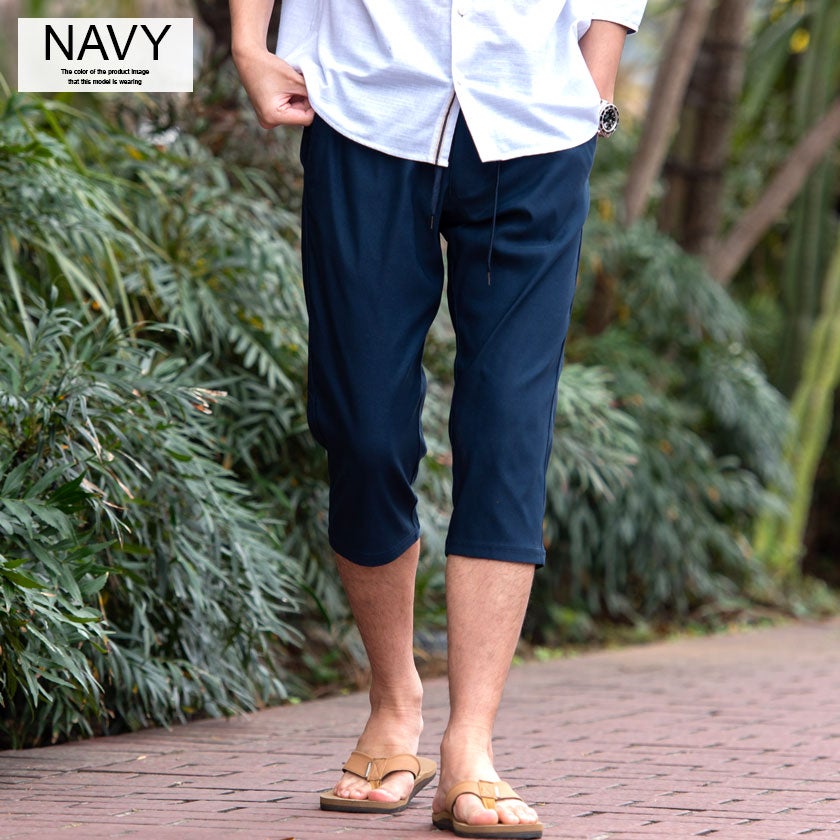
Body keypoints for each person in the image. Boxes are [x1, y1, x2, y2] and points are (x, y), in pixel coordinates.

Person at [230, 2, 646, 836]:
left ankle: (471, 746)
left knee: (509, 429)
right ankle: (394, 699)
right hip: (366, 103)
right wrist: (249, 40)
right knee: (363, 426)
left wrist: (597, 75)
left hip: (535, 119)